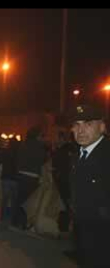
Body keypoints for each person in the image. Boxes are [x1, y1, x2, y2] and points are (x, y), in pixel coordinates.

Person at [68, 104, 110, 268]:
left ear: (102, 127)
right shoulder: (78, 155)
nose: (81, 130)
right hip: (84, 233)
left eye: (88, 124)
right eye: (77, 125)